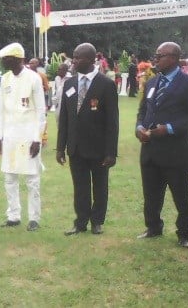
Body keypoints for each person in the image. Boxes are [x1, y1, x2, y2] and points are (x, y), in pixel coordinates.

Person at [135, 42, 188, 248]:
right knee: (151, 194)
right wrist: (139, 127)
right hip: (150, 150)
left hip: (176, 151)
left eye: (160, 56)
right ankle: (153, 227)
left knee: (181, 195)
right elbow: (143, 110)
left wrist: (170, 128)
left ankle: (184, 233)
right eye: (155, 55)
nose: (155, 59)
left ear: (174, 58)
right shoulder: (151, 83)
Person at [56, 43, 119, 236]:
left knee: (100, 186)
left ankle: (97, 221)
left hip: (98, 147)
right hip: (75, 147)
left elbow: (112, 121)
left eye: (78, 58)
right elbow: (64, 118)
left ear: (91, 60)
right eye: (73, 57)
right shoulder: (69, 83)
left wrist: (111, 152)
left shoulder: (106, 84)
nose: (73, 61)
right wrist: (60, 147)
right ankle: (80, 221)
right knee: (80, 186)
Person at [0, 43, 46, 231]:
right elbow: (1, 111)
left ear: (16, 59)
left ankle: (34, 218)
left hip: (28, 137)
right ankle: (13, 216)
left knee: (32, 180)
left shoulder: (34, 79)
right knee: (9, 178)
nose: (3, 62)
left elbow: (41, 112)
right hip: (9, 137)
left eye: (5, 59)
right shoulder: (5, 78)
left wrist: (37, 139)